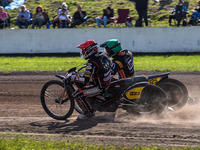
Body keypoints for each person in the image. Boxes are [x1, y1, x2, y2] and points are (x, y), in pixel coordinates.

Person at [69, 40, 111, 120]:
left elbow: (85, 80)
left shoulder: (92, 63)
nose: (83, 52)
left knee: (77, 94)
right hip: (106, 81)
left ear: (89, 50)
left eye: (83, 50)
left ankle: (89, 113)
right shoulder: (103, 55)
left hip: (100, 87)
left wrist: (73, 77)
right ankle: (91, 104)